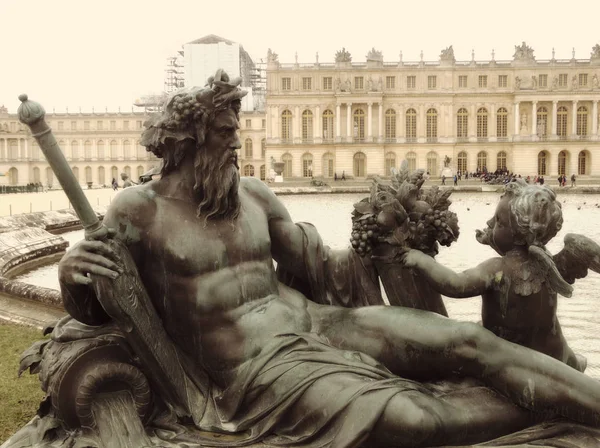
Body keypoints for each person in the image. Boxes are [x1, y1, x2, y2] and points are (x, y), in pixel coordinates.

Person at [58, 71, 600, 448]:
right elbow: (103, 300)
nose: (238, 143)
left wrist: (386, 238)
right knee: (413, 418)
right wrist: (72, 272)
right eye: (225, 133)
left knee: (467, 342)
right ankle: (557, 402)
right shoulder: (139, 210)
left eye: (237, 131)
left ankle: (584, 398)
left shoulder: (254, 195)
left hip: (321, 323)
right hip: (256, 368)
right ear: (189, 139)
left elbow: (326, 268)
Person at [402, 181, 599, 372]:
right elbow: (517, 249)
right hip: (552, 351)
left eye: (498, 222)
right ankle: (573, 362)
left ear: (519, 234)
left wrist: (421, 260)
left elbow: (455, 285)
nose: (489, 223)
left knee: (470, 336)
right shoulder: (547, 262)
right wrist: (492, 239)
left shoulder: (498, 269)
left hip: (516, 359)